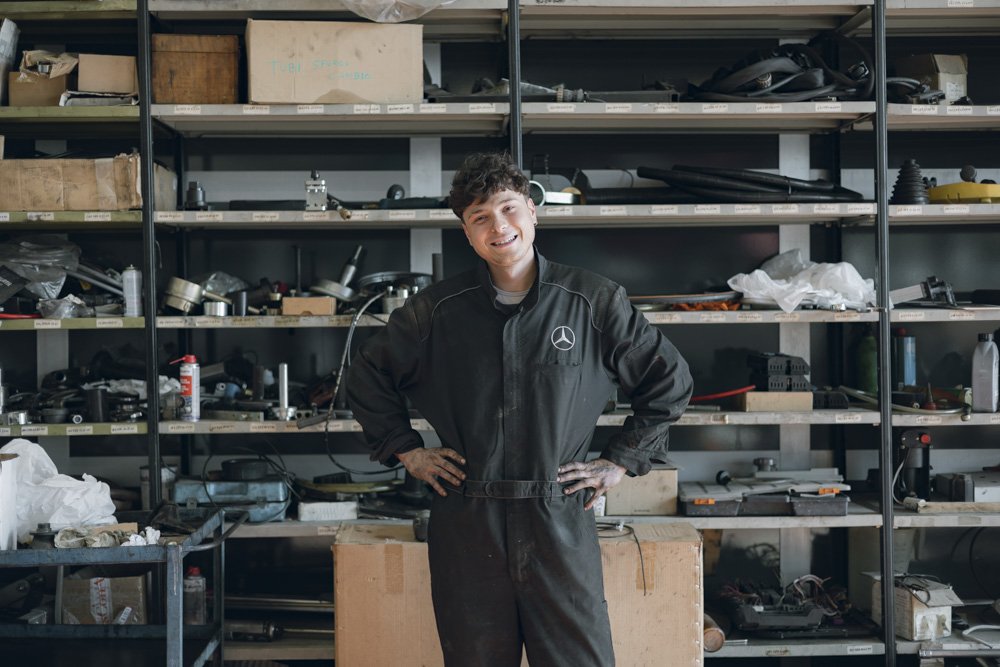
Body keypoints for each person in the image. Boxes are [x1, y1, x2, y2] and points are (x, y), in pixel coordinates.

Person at [346, 151, 693, 666]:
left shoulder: (592, 302)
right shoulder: (434, 312)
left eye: (508, 208)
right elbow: (365, 375)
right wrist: (406, 450)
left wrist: (621, 459)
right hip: (468, 523)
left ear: (532, 210)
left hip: (559, 519)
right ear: (466, 233)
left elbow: (669, 381)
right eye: (480, 217)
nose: (498, 226)